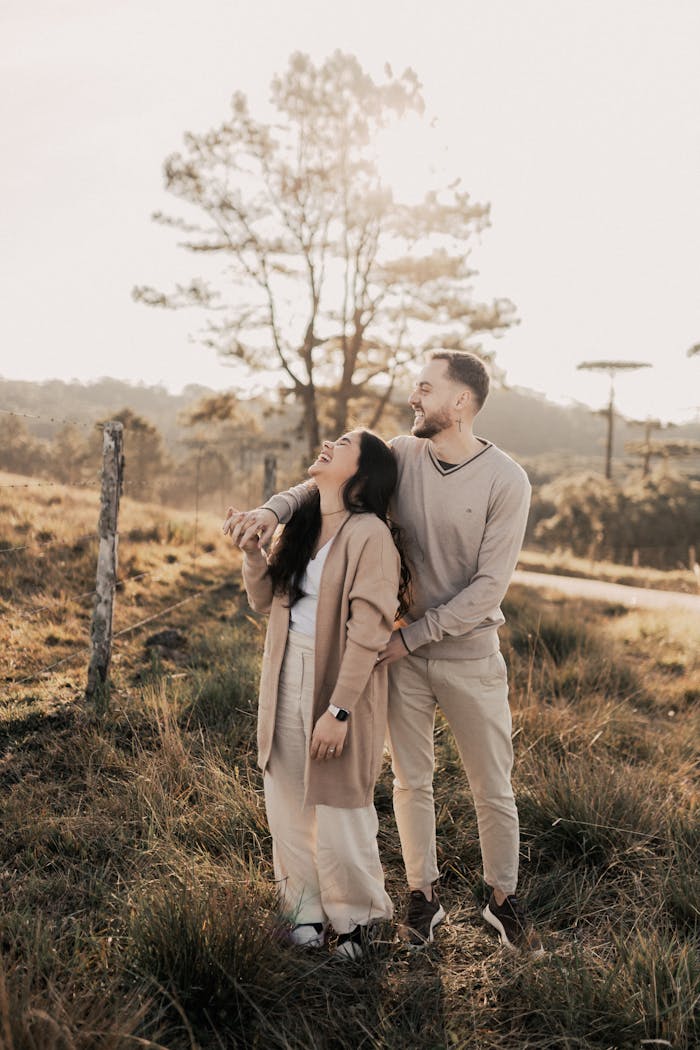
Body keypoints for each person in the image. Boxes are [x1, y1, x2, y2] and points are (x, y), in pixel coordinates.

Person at [228, 351, 542, 955]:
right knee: (409, 780)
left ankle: (502, 899)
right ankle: (424, 898)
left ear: (461, 402)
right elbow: (325, 486)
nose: (413, 398)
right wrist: (272, 510)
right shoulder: (401, 451)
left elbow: (487, 590)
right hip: (396, 654)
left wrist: (406, 638)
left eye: (426, 389)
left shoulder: (507, 479)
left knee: (491, 784)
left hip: (465, 654)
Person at [226, 428, 406, 960]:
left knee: (340, 803)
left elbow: (370, 631)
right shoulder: (303, 522)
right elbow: (265, 601)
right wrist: (254, 555)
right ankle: (302, 911)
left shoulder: (370, 534)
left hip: (339, 677)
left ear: (362, 473)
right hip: (283, 670)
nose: (327, 441)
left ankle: (358, 919)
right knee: (285, 796)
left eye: (344, 442)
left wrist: (339, 709)